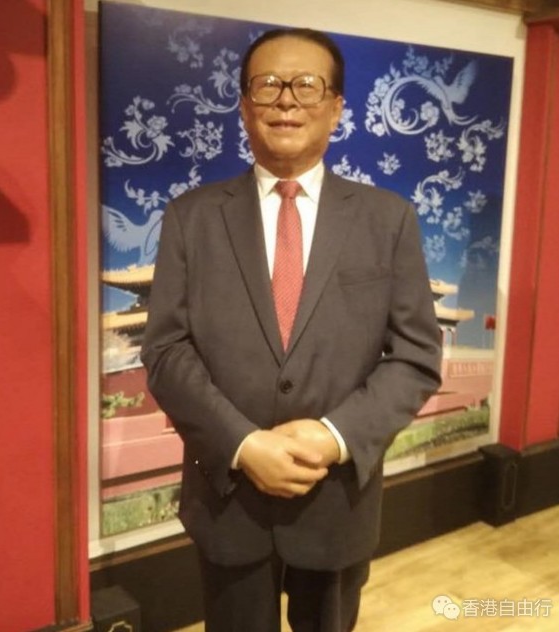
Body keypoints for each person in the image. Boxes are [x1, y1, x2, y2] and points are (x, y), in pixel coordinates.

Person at [141, 27, 442, 632]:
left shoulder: (388, 219)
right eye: (268, 85)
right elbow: (166, 351)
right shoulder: (191, 217)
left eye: (307, 85)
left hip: (336, 495)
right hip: (227, 496)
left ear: (336, 107)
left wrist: (334, 436)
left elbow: (416, 356)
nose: (285, 100)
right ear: (243, 105)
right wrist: (245, 444)